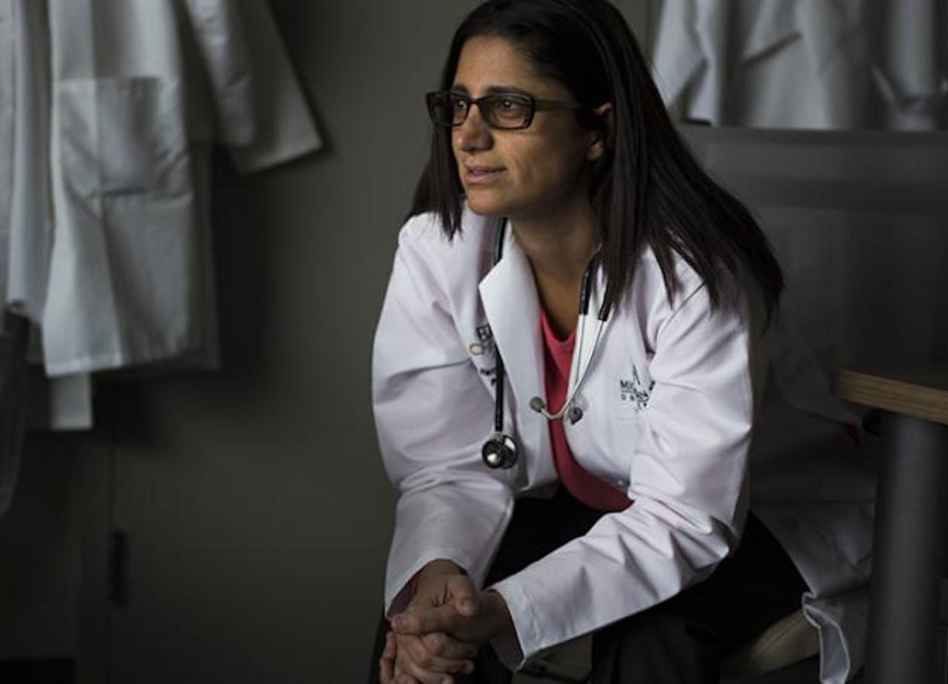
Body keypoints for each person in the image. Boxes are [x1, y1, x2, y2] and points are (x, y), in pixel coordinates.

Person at [369, 1, 867, 682]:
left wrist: (506, 611)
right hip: (589, 504)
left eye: (507, 106)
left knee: (649, 642)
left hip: (754, 522)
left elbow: (685, 517)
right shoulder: (440, 250)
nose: (469, 135)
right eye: (457, 105)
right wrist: (437, 581)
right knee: (424, 623)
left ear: (596, 130)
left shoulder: (695, 277)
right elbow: (446, 466)